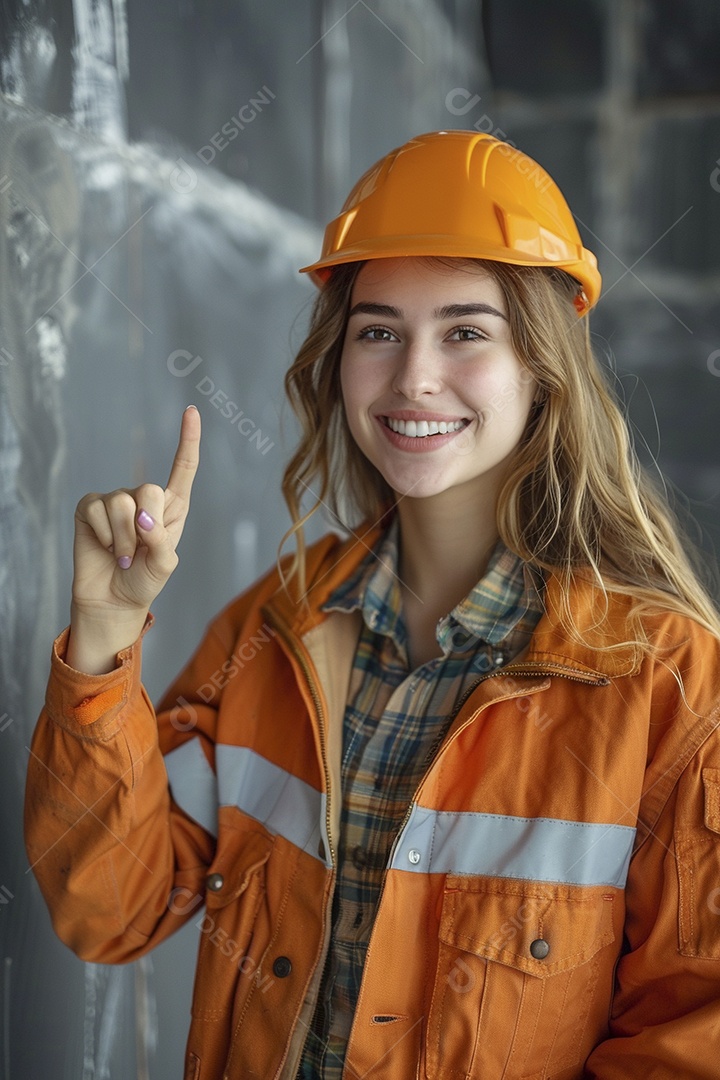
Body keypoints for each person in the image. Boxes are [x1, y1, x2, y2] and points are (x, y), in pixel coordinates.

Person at [25, 131, 720, 1079]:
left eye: (467, 331)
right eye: (378, 330)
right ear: (338, 358)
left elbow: (693, 1040)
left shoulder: (669, 686)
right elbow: (112, 909)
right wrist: (103, 643)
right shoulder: (275, 630)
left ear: (543, 367)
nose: (413, 378)